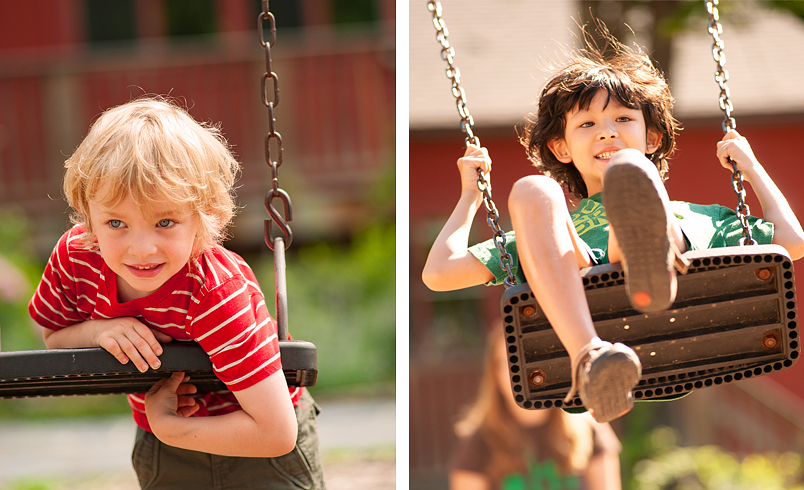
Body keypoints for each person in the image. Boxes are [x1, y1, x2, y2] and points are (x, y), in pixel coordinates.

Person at [422, 26, 804, 424]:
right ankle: (592, 356)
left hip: (680, 313)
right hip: (584, 289)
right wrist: (471, 196)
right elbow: (439, 273)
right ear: (561, 148)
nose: (607, 130)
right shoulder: (549, 234)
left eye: (623, 118)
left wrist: (751, 167)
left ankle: (650, 260)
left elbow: (792, 242)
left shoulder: (701, 216)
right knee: (533, 190)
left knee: (630, 171)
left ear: (652, 138)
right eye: (586, 124)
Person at [28, 97, 325, 489]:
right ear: (88, 215)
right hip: (164, 445)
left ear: (203, 216)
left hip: (260, 446)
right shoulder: (77, 258)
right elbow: (52, 335)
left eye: (165, 221)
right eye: (116, 223)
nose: (141, 249)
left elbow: (276, 433)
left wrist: (170, 427)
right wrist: (98, 331)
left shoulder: (215, 291)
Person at [450, 328, 622, 490]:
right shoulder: (478, 441)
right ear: (495, 373)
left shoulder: (588, 425)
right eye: (511, 363)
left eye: (530, 361)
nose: (522, 374)